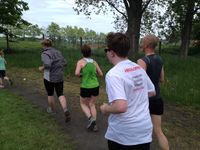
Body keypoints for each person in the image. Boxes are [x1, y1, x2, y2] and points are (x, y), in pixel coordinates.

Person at [100, 32, 156, 150]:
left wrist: (105, 108)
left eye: (106, 50)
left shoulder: (114, 74)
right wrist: (135, 95)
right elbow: (151, 91)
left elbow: (121, 107)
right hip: (144, 129)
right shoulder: (138, 68)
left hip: (124, 134)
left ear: (111, 52)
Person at [137, 34, 169, 150]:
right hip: (157, 99)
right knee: (158, 131)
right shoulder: (160, 59)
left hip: (145, 100)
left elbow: (139, 82)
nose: (141, 44)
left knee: (140, 131)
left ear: (146, 45)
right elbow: (162, 79)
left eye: (142, 42)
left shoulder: (142, 61)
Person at [39, 39, 70, 122]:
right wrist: (58, 66)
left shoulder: (45, 53)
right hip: (59, 76)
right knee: (60, 94)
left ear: (44, 45)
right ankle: (65, 109)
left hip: (49, 77)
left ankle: (52, 110)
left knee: (50, 94)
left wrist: (42, 67)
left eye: (42, 45)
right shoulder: (58, 52)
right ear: (51, 44)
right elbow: (65, 63)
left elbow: (47, 64)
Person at [75, 44, 103, 132]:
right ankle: (94, 126)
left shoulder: (80, 62)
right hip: (95, 86)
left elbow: (76, 73)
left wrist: (82, 75)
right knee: (92, 104)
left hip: (85, 86)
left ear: (82, 53)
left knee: (83, 103)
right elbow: (101, 74)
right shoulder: (94, 62)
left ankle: (91, 119)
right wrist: (94, 74)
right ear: (90, 53)